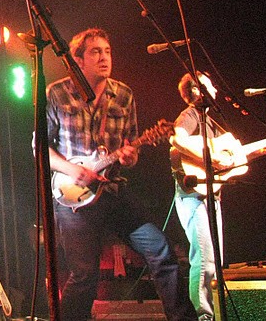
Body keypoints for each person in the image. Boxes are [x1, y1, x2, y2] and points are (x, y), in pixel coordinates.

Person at [46, 28, 196, 321]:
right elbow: (40, 148)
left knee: (161, 250)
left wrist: (129, 156)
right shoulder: (56, 93)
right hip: (72, 197)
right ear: (78, 60)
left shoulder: (123, 95)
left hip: (113, 190)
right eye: (95, 52)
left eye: (107, 51)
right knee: (85, 275)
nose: (104, 57)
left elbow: (131, 151)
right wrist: (74, 170)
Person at [170, 72, 224, 320]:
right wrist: (210, 159)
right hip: (193, 196)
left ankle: (212, 314)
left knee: (214, 261)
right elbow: (177, 140)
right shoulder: (189, 115)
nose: (216, 90)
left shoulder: (211, 123)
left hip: (211, 197)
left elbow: (230, 157)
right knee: (204, 260)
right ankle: (202, 317)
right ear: (195, 91)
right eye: (210, 85)